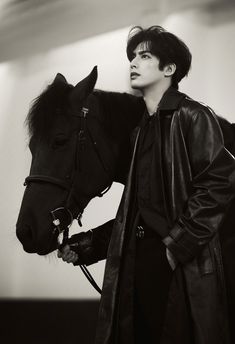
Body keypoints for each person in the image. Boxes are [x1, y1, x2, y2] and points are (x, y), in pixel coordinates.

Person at [58, 26, 235, 344]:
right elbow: (140, 209)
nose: (133, 63)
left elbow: (219, 183)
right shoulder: (140, 132)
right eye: (132, 57)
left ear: (169, 69)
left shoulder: (194, 116)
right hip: (138, 265)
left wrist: (176, 247)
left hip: (176, 264)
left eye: (145, 55)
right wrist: (90, 245)